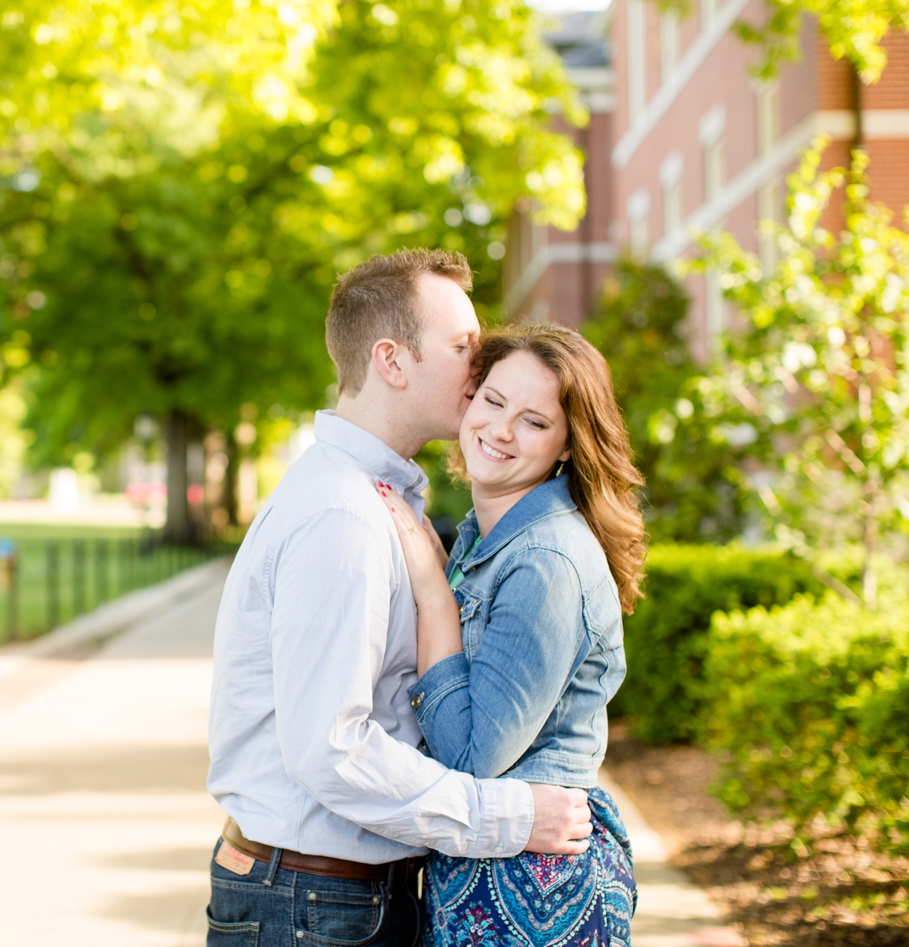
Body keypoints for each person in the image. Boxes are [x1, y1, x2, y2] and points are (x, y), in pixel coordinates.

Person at [206, 251, 594, 947]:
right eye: (461, 348)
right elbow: (333, 750)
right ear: (392, 360)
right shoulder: (345, 516)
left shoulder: (371, 502)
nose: (481, 370)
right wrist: (508, 817)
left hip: (320, 900)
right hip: (315, 905)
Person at [375, 323, 646, 946]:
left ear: (568, 446)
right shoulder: (486, 537)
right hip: (489, 866)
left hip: (536, 884)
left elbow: (473, 763)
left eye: (533, 421)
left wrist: (435, 599)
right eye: (493, 401)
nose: (499, 430)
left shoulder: (544, 562)